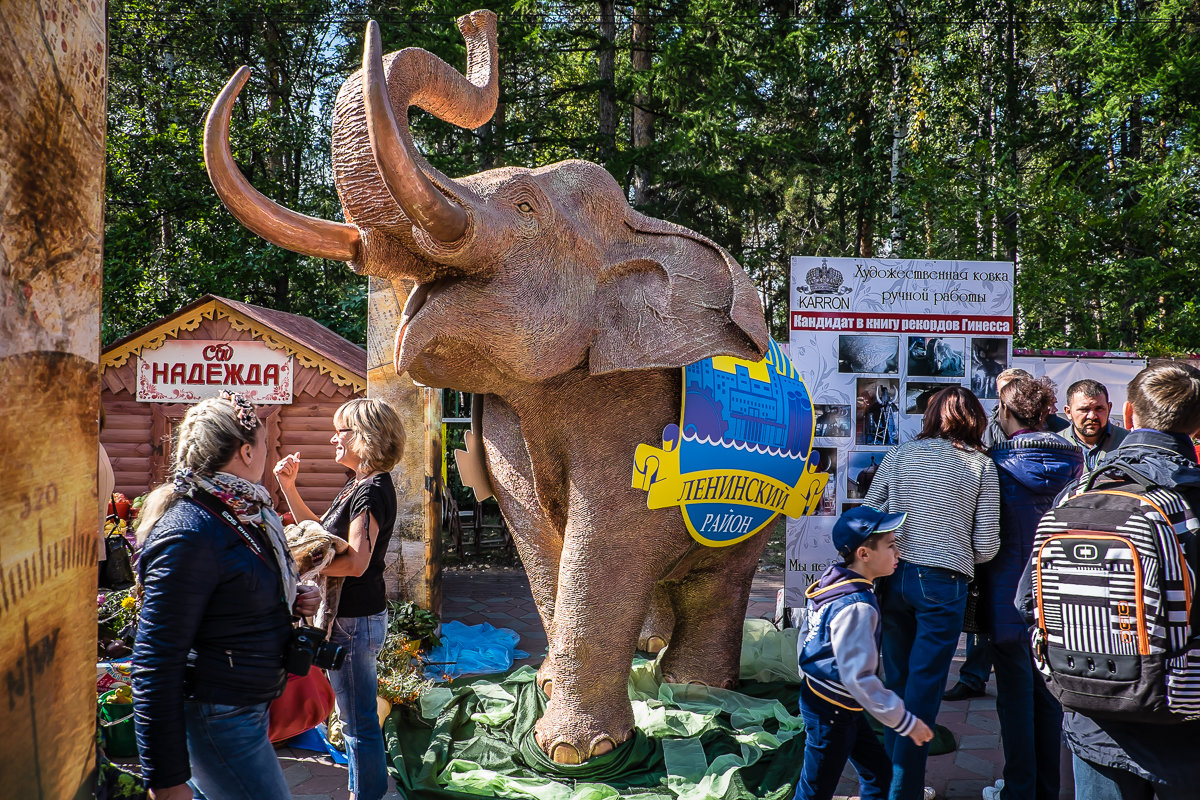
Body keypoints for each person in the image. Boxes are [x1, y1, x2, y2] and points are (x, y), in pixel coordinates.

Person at [1018, 363, 1200, 799]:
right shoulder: (1190, 500)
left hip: (1091, 713)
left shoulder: (1079, 492)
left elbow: (1028, 601)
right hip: (1183, 722)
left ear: (1128, 413)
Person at [132, 392, 319, 800]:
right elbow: (155, 659)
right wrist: (166, 780)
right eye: (267, 445)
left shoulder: (240, 513)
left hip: (240, 705)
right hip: (218, 711)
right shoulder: (191, 530)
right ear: (247, 451)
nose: (270, 454)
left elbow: (231, 592)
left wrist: (287, 598)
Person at [864, 386, 1000, 800]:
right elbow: (988, 543)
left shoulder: (901, 454)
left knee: (899, 684)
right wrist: (957, 550)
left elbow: (871, 510)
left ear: (931, 416)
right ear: (975, 418)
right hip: (944, 583)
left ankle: (894, 785)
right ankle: (902, 791)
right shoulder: (981, 465)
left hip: (895, 576)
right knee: (923, 691)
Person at [274, 398, 406, 800]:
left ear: (365, 438)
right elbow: (320, 542)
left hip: (353, 621)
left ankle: (366, 795)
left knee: (358, 722)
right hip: (353, 619)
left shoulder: (369, 492)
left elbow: (357, 563)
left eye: (341, 430)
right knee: (353, 718)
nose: (334, 437)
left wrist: (293, 569)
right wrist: (288, 488)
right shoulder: (361, 485)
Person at [981, 376, 1083, 800]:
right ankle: (1046, 788)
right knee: (1051, 700)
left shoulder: (992, 464)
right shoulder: (1079, 463)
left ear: (1005, 413)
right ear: (1046, 414)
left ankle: (1018, 790)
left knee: (1014, 702)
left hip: (1007, 601)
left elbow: (984, 541)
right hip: (1060, 604)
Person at [795, 506, 934, 800]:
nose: (898, 554)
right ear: (864, 554)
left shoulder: (832, 583)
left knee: (879, 776)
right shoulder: (857, 604)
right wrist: (905, 722)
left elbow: (807, 636)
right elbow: (859, 678)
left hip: (830, 698)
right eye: (892, 546)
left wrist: (808, 673)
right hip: (833, 707)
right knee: (814, 790)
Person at [1061, 378, 1128, 470]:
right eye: (1084, 410)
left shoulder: (1128, 442)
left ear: (1109, 408)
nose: (1092, 416)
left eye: (1099, 408)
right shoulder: (1055, 445)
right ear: (1068, 412)